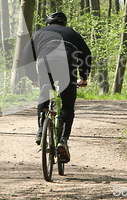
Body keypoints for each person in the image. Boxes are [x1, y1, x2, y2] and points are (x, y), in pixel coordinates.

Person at [22, 12, 91, 163]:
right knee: (67, 106)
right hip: (68, 61)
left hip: (46, 61)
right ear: (64, 24)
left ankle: (41, 130)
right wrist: (84, 77)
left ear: (48, 24)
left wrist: (34, 79)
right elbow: (86, 54)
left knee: (45, 94)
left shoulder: (40, 32)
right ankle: (63, 141)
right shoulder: (72, 33)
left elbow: (26, 56)